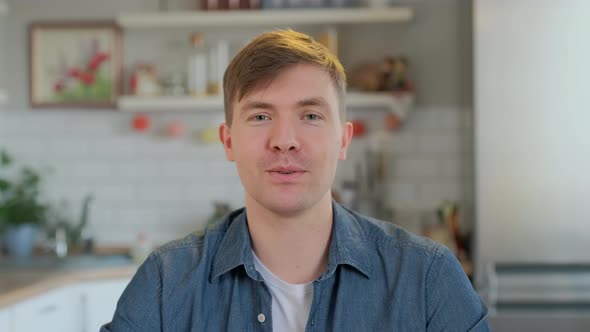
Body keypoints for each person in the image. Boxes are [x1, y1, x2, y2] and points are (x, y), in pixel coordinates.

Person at [101, 29, 489, 331]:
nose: (285, 140)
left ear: (343, 140)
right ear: (229, 140)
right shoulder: (164, 284)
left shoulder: (428, 278)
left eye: (310, 116)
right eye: (260, 116)